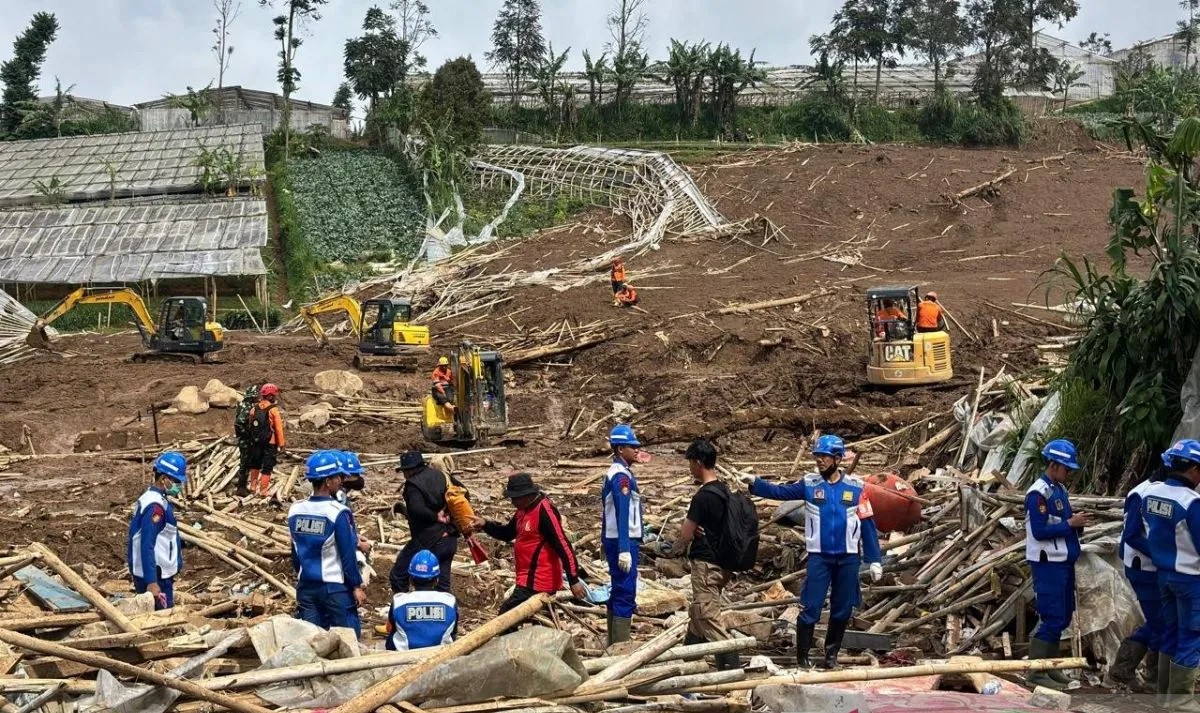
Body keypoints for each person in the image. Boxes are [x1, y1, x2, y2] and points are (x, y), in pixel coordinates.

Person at [739, 434, 882, 669]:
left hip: (848, 558)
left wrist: (875, 560)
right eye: (817, 457)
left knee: (842, 609)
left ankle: (831, 656)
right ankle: (802, 659)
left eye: (824, 457)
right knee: (810, 607)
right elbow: (780, 493)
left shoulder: (857, 489)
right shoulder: (810, 484)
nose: (819, 461)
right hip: (819, 558)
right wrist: (755, 482)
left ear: (837, 459)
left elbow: (868, 525)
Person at [1023, 439, 1090, 691]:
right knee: (1052, 616)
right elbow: (1039, 531)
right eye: (1066, 468)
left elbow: (1061, 521)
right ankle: (1037, 671)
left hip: (1062, 561)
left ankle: (1050, 667)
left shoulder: (1058, 490)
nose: (1069, 473)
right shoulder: (1038, 493)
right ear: (1053, 465)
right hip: (1048, 563)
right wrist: (1070, 525)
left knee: (1063, 616)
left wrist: (1075, 524)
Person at [671, 438, 740, 671]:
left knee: (707, 615)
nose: (690, 467)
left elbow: (686, 533)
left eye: (691, 462)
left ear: (698, 462)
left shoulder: (703, 496)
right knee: (699, 612)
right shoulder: (724, 492)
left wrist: (675, 546)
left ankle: (730, 666)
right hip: (723, 564)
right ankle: (688, 661)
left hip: (706, 564)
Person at [476, 472, 588, 615]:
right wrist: (485, 524)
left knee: (506, 615)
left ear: (525, 495)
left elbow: (563, 546)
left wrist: (573, 580)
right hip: (526, 579)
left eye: (514, 498)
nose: (512, 502)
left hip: (538, 581)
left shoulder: (544, 512)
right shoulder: (523, 511)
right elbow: (507, 533)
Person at [1144, 439, 1200, 709]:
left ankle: (1164, 697)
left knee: (1171, 632)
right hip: (1189, 577)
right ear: (1193, 469)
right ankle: (1181, 702)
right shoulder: (1192, 502)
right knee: (1191, 635)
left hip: (1163, 575)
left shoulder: (1154, 495)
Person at [288, 450, 366, 637]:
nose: (341, 480)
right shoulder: (337, 512)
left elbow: (295, 552)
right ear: (327, 481)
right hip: (334, 588)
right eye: (338, 477)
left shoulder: (295, 510)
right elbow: (347, 554)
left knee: (312, 642)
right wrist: (356, 586)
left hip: (306, 587)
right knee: (348, 641)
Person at [1110, 466, 1164, 689]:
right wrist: (1162, 555)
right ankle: (1135, 671)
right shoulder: (1143, 494)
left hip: (1153, 565)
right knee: (1161, 621)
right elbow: (1132, 535)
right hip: (1144, 567)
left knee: (1162, 619)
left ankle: (1144, 673)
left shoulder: (1156, 492)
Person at [390, 451, 460, 594]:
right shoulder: (442, 476)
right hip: (449, 539)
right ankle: (444, 613)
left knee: (398, 574)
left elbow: (417, 509)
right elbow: (463, 495)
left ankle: (404, 607)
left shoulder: (413, 484)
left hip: (427, 540)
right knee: (443, 583)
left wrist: (435, 517)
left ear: (409, 470)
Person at [601, 424, 645, 646]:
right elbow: (622, 512)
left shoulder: (619, 473)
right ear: (620, 450)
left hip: (615, 539)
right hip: (622, 541)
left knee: (618, 591)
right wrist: (625, 549)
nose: (637, 450)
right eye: (632, 446)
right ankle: (620, 648)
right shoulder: (621, 478)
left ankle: (613, 644)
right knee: (626, 593)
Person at [127, 451, 187, 610]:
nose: (178, 486)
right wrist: (152, 583)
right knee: (163, 621)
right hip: (157, 576)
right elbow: (147, 544)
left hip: (157, 573)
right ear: (164, 479)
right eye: (176, 481)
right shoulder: (156, 507)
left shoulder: (154, 499)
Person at [386, 549, 457, 651]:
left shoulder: (398, 602)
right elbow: (453, 633)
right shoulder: (449, 601)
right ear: (436, 580)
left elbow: (391, 630)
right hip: (440, 656)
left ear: (410, 579)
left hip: (404, 657)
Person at [247, 383, 285, 497]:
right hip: (270, 442)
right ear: (270, 396)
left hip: (256, 441)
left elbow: (250, 425)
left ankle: (253, 487)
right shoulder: (273, 410)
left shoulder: (254, 408)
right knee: (267, 466)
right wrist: (281, 443)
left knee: (255, 463)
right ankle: (263, 491)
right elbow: (278, 428)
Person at [233, 384, 260, 497]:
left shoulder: (242, 404)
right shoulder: (247, 406)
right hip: (245, 440)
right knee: (245, 462)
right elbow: (239, 422)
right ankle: (241, 488)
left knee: (245, 462)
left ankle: (241, 486)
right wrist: (247, 434)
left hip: (244, 439)